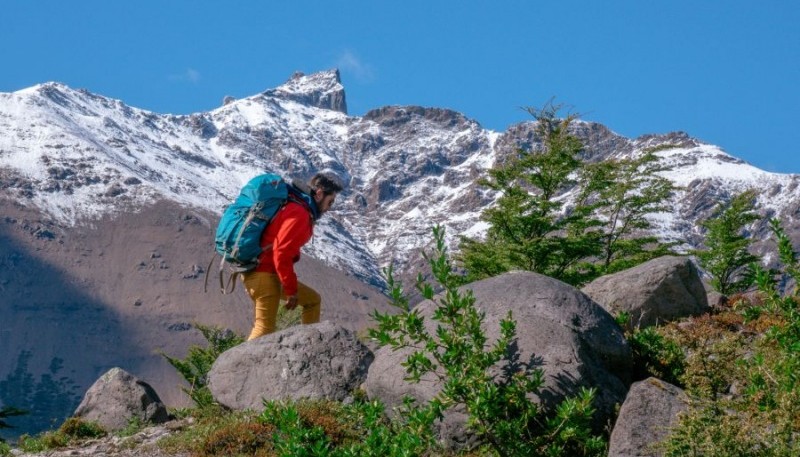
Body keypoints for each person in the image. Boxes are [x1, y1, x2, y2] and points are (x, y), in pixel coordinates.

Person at [242, 172, 343, 340]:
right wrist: (291, 290)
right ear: (319, 194)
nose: (329, 207)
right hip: (262, 273)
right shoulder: (299, 212)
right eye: (330, 201)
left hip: (264, 272)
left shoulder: (298, 207)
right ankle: (238, 366)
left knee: (312, 301)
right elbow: (281, 252)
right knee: (263, 329)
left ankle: (310, 348)